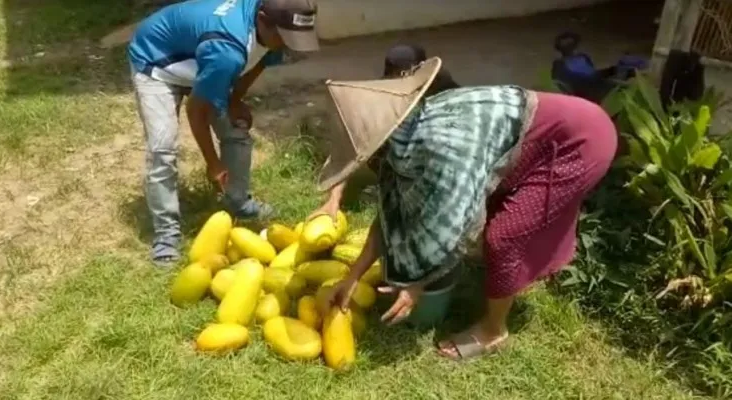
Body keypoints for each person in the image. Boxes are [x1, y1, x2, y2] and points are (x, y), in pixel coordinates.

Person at [319, 57, 617, 360]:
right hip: (544, 137)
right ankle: (510, 280)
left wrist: (417, 284)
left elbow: (456, 215)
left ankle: (493, 331)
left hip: (580, 141)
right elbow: (390, 213)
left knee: (504, 236)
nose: (367, 163)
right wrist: (352, 277)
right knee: (506, 223)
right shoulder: (406, 135)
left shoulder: (441, 146)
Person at [128, 0, 320, 265]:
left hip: (201, 59)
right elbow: (197, 111)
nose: (288, 44)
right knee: (163, 148)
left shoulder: (272, 28)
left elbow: (259, 63)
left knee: (237, 130)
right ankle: (166, 233)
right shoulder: (227, 49)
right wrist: (213, 163)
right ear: (262, 20)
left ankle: (237, 201)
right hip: (158, 62)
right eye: (285, 37)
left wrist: (233, 101)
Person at [308, 43, 459, 221]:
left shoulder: (441, 85)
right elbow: (350, 147)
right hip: (396, 164)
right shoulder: (380, 101)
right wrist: (333, 200)